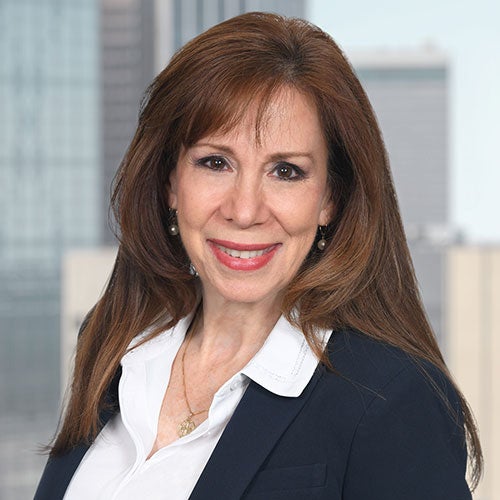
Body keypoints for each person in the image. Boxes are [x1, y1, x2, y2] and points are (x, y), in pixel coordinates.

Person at [35, 12, 481, 500]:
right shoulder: (116, 339)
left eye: (285, 171)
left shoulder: (391, 398)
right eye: (215, 162)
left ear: (330, 198)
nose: (245, 210)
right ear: (170, 182)